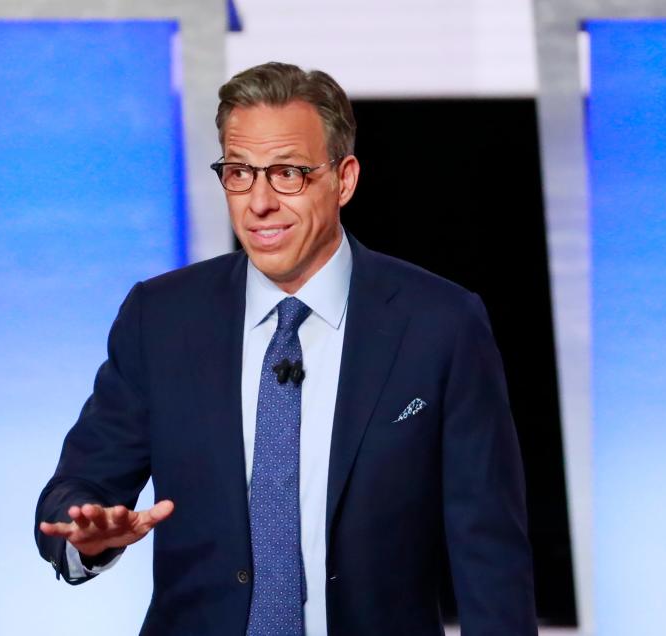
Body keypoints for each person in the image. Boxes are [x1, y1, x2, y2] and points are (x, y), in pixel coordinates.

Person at [36, 61, 536, 636]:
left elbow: (490, 551)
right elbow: (78, 487)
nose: (259, 202)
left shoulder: (440, 324)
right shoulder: (161, 318)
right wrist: (87, 536)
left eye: (288, 174)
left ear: (343, 179)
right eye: (239, 173)